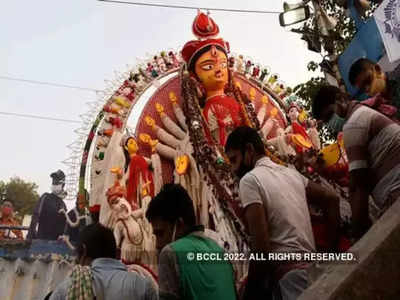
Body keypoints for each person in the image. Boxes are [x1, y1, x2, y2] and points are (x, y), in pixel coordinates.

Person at [225, 126, 340, 300]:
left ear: (249, 150)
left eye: (234, 160)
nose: (233, 169)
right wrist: (330, 257)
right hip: (315, 271)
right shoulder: (291, 173)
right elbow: (332, 198)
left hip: (290, 280)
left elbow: (261, 251)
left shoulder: (250, 181)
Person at [312, 85, 400, 240]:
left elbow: (358, 185)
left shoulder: (354, 124)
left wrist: (358, 233)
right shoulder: (362, 113)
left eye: (329, 115)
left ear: (341, 99)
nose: (330, 123)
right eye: (325, 121)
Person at [145, 183, 237, 300]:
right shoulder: (219, 250)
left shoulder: (170, 254)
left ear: (179, 224)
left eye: (160, 233)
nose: (158, 244)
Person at [49, 223, 157, 300]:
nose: (76, 261)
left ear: (83, 251)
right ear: (118, 253)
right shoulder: (142, 286)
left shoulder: (68, 288)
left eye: (77, 254)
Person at [27, 170, 67, 240]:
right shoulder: (45, 197)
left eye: (57, 181)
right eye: (53, 181)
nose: (54, 183)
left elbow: (65, 225)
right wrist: (30, 237)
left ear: (63, 185)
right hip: (42, 241)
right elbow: (35, 216)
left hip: (56, 244)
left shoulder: (63, 205)